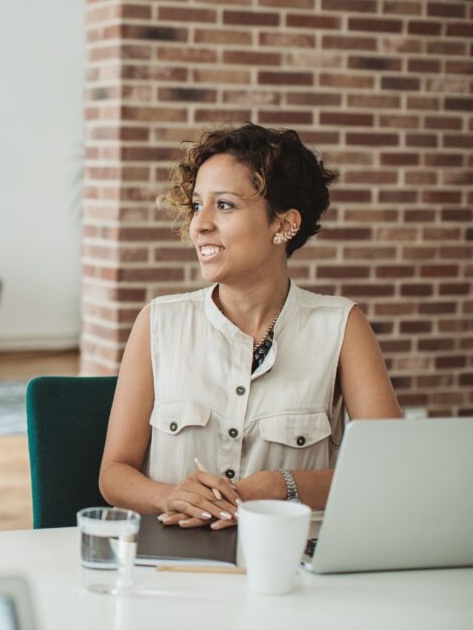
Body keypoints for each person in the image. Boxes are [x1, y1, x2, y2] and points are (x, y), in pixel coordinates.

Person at [99, 123, 401, 531]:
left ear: (283, 225)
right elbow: (114, 473)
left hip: (294, 565)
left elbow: (389, 471)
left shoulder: (342, 327)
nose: (200, 224)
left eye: (224, 205)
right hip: (176, 565)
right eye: (197, 205)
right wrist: (168, 495)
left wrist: (282, 486)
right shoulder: (158, 323)